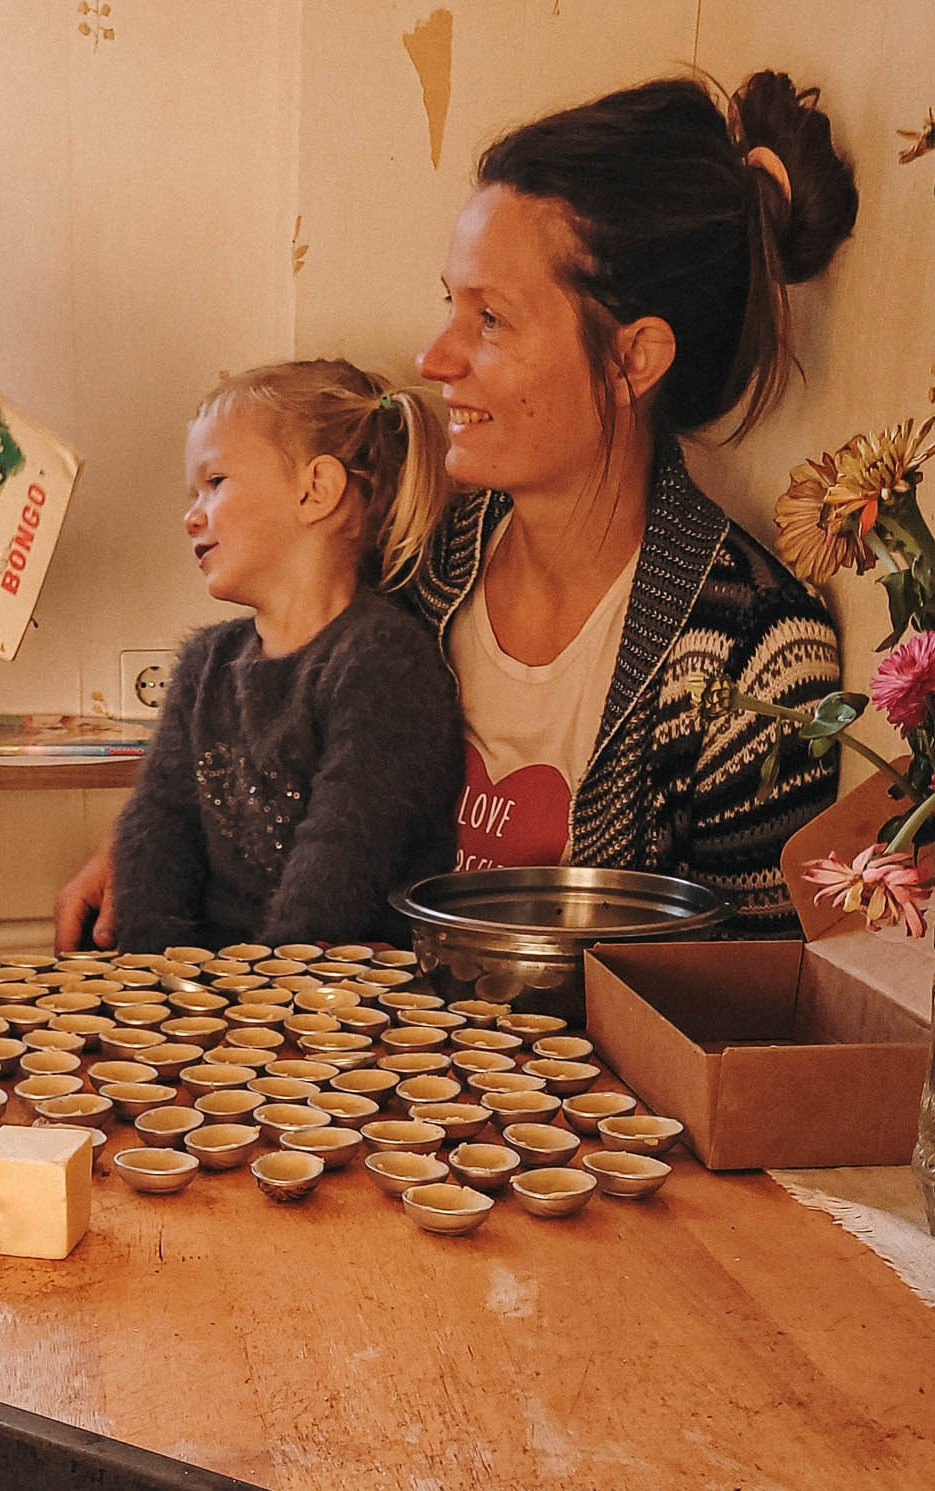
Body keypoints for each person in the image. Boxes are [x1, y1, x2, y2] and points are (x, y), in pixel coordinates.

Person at [57, 71, 858, 951]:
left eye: (492, 321)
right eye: (452, 303)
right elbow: (270, 754)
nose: (435, 357)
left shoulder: (757, 654)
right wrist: (137, 855)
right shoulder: (412, 557)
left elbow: (741, 1011)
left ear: (635, 359)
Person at [107, 359, 464, 951]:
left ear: (315, 491)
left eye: (215, 483)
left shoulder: (382, 662)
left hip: (329, 990)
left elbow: (344, 855)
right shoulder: (204, 665)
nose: (191, 515)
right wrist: (148, 971)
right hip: (217, 985)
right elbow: (159, 823)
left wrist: (265, 991)